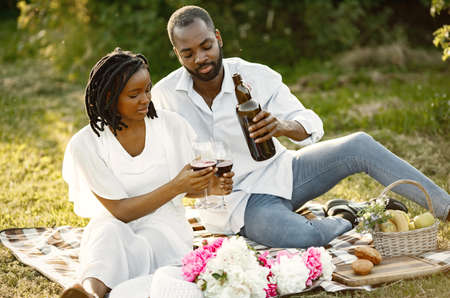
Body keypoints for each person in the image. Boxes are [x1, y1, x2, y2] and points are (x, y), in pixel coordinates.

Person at [151, 5, 450, 249]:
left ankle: (445, 208)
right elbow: (162, 168)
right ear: (177, 53)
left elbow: (310, 123)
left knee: (359, 144)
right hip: (240, 204)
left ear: (218, 37)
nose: (201, 58)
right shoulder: (164, 97)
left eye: (206, 46)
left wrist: (282, 126)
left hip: (285, 173)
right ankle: (352, 213)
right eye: (188, 53)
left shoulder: (256, 76)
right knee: (305, 237)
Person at [59, 48, 233, 298]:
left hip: (165, 224)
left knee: (153, 240)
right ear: (109, 96)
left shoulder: (172, 126)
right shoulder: (86, 144)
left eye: (148, 90)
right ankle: (89, 294)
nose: (146, 99)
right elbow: (121, 212)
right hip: (116, 222)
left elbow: (190, 188)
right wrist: (175, 186)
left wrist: (213, 186)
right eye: (134, 94)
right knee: (107, 235)